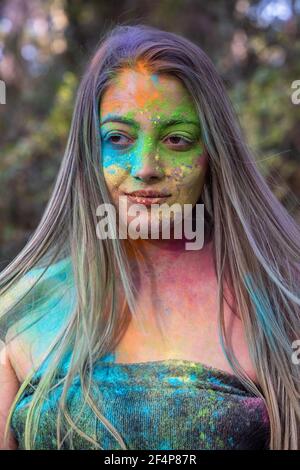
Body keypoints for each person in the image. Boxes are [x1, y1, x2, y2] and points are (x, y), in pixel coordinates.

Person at [0, 23, 299, 451]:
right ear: (90, 149)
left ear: (212, 153)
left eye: (176, 140)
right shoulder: (21, 310)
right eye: (118, 138)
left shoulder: (282, 303)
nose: (146, 167)